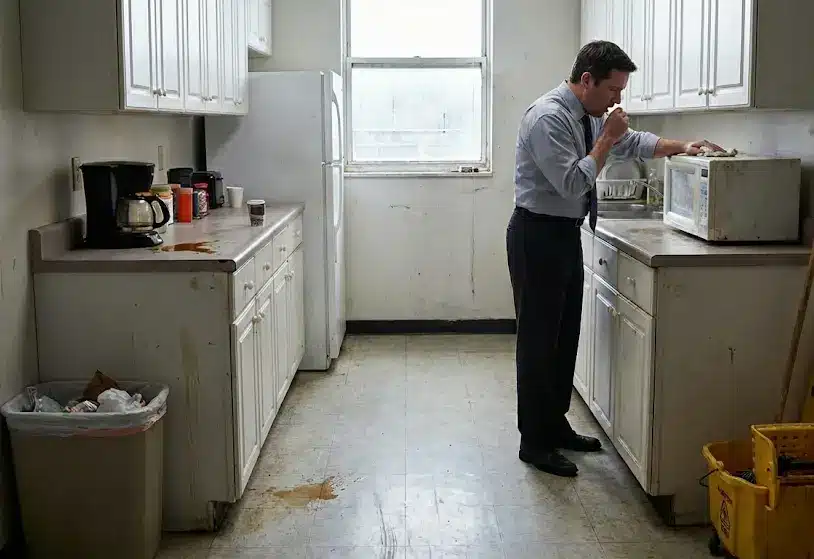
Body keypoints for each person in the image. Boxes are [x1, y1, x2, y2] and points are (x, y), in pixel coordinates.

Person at [507, 40, 721, 478]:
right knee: (538, 343)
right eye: (612, 90)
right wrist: (605, 138)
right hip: (537, 236)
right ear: (586, 80)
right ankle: (534, 441)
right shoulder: (548, 117)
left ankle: (555, 424)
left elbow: (629, 142)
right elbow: (570, 182)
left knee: (565, 338)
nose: (617, 100)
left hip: (564, 233)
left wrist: (682, 146)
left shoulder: (587, 114)